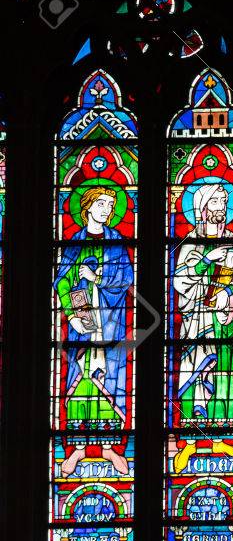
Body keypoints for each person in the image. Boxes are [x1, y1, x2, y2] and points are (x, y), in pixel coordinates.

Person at [55, 186, 133, 474]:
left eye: (110, 205)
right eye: (101, 203)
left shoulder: (116, 241)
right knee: (80, 383)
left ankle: (111, 448)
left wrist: (97, 276)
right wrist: (71, 314)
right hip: (82, 323)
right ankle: (76, 449)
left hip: (110, 322)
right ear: (87, 207)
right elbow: (62, 281)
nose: (106, 209)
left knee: (110, 382)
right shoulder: (75, 242)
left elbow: (126, 277)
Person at [171, 183, 233, 471]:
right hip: (197, 322)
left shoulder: (230, 241)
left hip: (224, 320)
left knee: (224, 374)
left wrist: (229, 295)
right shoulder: (190, 244)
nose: (220, 208)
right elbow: (180, 281)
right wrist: (206, 261)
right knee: (195, 372)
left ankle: (222, 439)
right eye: (215, 202)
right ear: (202, 208)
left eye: (224, 202)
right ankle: (189, 442)